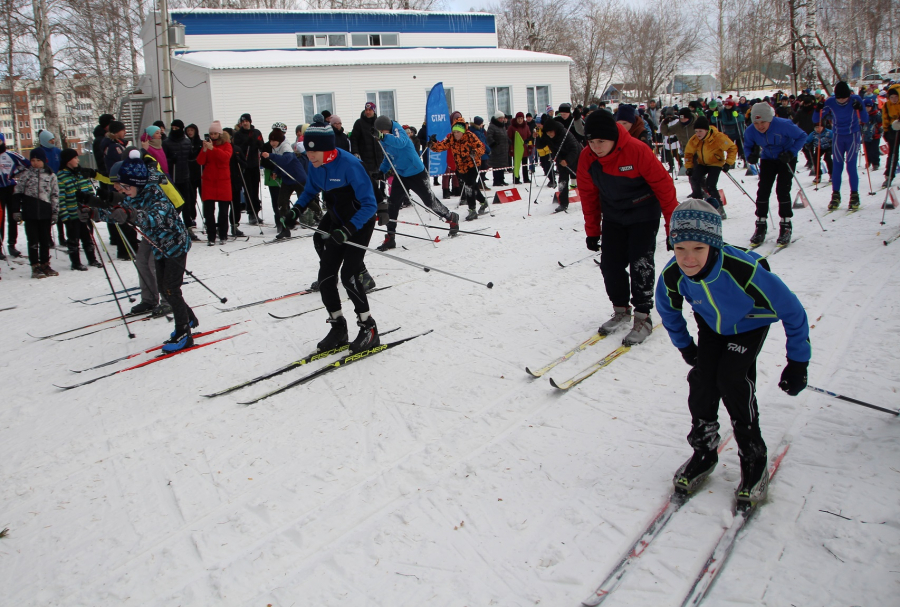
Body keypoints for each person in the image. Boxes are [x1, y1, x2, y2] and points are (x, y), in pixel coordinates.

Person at [656, 198, 810, 506]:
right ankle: (704, 449)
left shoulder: (743, 269)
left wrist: (797, 362)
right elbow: (668, 310)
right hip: (713, 325)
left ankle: (753, 456)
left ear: (713, 245)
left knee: (732, 380)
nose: (688, 258)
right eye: (680, 248)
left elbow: (793, 311)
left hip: (751, 322)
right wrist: (686, 346)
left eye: (698, 249)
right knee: (702, 380)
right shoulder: (673, 274)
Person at [79, 150, 198, 352]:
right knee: (163, 287)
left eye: (126, 186)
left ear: (137, 182)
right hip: (159, 246)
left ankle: (184, 332)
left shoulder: (156, 197)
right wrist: (95, 212)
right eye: (121, 187)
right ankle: (189, 318)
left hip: (175, 245)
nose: (123, 190)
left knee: (170, 289)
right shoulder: (135, 194)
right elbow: (118, 213)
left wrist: (130, 214)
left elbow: (150, 218)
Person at [577, 109, 677, 345]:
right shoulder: (587, 158)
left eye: (601, 141)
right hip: (613, 215)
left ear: (613, 137)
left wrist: (673, 229)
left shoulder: (637, 150)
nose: (596, 147)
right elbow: (588, 196)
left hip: (643, 212)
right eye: (591, 141)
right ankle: (621, 309)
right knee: (610, 265)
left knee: (640, 262)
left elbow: (665, 188)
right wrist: (592, 231)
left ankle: (643, 316)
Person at [281, 120, 380, 354]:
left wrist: (348, 229)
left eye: (314, 150)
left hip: (360, 223)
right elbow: (310, 191)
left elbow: (370, 204)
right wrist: (296, 210)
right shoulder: (315, 165)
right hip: (337, 223)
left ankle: (369, 328)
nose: (310, 155)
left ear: (328, 148)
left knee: (349, 275)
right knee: (326, 276)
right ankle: (338, 327)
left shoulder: (350, 165)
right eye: (308, 149)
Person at [372, 114, 459, 250]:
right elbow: (388, 156)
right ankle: (390, 237)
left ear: (386, 128)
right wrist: (382, 170)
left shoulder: (398, 132)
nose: (381, 134)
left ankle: (451, 217)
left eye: (382, 132)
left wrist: (384, 137)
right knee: (392, 205)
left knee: (429, 201)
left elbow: (400, 143)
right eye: (380, 133)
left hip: (416, 172)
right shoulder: (384, 138)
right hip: (401, 175)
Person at [743, 101, 807, 246]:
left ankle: (785, 225)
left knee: (782, 190)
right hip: (768, 159)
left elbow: (802, 136)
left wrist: (791, 152)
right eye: (756, 122)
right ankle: (760, 225)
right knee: (763, 190)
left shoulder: (784, 125)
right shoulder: (751, 130)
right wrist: (750, 155)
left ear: (770, 119)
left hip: (785, 158)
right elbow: (748, 145)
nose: (760, 126)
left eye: (763, 122)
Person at [428, 116, 487, 221]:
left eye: (458, 132)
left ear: (463, 131)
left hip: (472, 164)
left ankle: (472, 210)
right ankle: (483, 201)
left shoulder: (470, 136)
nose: (456, 134)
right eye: (454, 132)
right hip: (460, 166)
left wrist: (474, 152)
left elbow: (481, 148)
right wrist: (432, 144)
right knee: (471, 185)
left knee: (469, 186)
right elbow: (441, 146)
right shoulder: (450, 138)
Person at [12, 148, 58, 278]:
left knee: (45, 240)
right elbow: (17, 193)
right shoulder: (26, 175)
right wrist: (16, 210)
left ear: (44, 161)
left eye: (38, 160)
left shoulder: (51, 176)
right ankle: (35, 266)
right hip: (30, 212)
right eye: (33, 160)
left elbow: (55, 195)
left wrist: (55, 212)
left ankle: (45, 263)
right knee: (33, 240)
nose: (35, 163)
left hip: (45, 212)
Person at [823, 81, 868, 210]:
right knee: (837, 165)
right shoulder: (831, 101)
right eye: (839, 98)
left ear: (849, 95)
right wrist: (818, 108)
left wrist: (860, 108)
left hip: (852, 135)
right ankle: (835, 195)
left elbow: (864, 119)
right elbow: (816, 118)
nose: (842, 101)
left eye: (845, 98)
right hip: (837, 136)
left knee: (851, 165)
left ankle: (854, 195)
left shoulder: (855, 99)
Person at [57, 149, 101, 270]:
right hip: (72, 215)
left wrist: (93, 208)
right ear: (68, 160)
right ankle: (75, 262)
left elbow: (90, 191)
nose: (78, 160)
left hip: (86, 213)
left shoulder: (82, 174)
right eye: (75, 158)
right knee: (73, 239)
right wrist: (65, 217)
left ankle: (92, 259)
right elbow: (60, 199)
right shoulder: (61, 177)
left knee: (88, 237)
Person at [261, 127, 309, 240]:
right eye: (270, 141)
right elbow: (279, 164)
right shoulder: (275, 148)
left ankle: (319, 216)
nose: (272, 143)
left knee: (306, 200)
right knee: (281, 203)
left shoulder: (286, 147)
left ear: (280, 140)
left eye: (274, 141)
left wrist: (270, 156)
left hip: (297, 177)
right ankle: (285, 229)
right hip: (287, 180)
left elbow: (286, 160)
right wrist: (275, 172)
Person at [683, 116, 736, 217]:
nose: (698, 134)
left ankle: (719, 208)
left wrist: (728, 163)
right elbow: (688, 153)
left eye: (700, 131)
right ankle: (698, 204)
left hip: (715, 163)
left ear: (707, 130)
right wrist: (689, 167)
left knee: (710, 185)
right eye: (696, 131)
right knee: (694, 179)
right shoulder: (694, 139)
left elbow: (732, 148)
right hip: (702, 163)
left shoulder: (718, 137)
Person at [196, 121, 233, 245]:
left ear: (220, 133)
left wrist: (214, 149)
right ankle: (211, 236)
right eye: (211, 133)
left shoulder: (227, 145)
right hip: (209, 181)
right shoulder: (208, 145)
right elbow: (200, 161)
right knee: (208, 212)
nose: (212, 135)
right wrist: (205, 150)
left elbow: (225, 157)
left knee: (223, 211)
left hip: (223, 181)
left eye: (215, 133)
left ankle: (223, 235)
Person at [536, 118, 582, 213]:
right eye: (547, 133)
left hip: (575, 158)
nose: (550, 135)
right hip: (560, 159)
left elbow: (574, 149)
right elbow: (540, 146)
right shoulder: (547, 135)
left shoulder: (565, 134)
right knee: (562, 181)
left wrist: (567, 161)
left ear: (555, 130)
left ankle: (591, 199)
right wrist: (537, 137)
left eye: (551, 132)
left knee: (582, 179)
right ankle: (563, 203)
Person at [163, 119, 199, 241]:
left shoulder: (186, 142)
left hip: (185, 176)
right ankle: (172, 227)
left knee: (187, 203)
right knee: (174, 204)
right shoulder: (167, 142)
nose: (174, 130)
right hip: (173, 178)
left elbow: (191, 156)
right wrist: (170, 160)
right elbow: (163, 160)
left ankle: (188, 226)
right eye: (172, 128)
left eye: (177, 128)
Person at [350, 102, 385, 207]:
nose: (368, 112)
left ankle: (376, 201)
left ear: (374, 111)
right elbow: (354, 139)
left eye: (370, 110)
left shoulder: (378, 123)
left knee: (377, 180)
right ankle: (366, 201)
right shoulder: (359, 123)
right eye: (366, 110)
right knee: (367, 181)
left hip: (378, 157)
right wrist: (355, 152)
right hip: (365, 157)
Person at [0, 132, 29, 259]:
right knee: (0, 219)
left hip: (11, 189)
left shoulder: (11, 155)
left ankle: (12, 244)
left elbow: (27, 164)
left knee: (13, 216)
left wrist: (15, 174)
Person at [231, 113, 264, 224]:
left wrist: (259, 144)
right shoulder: (238, 135)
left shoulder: (256, 132)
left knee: (255, 189)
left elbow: (261, 145)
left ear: (250, 121)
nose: (245, 123)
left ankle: (256, 211)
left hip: (255, 164)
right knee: (248, 190)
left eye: (246, 121)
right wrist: (246, 144)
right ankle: (251, 213)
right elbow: (237, 148)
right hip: (245, 165)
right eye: (243, 121)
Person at [881, 84, 900, 189]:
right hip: (893, 130)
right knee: (893, 154)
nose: (894, 99)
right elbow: (885, 118)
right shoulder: (887, 105)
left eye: (896, 97)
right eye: (891, 97)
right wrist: (886, 130)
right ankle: (889, 175)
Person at [507, 112, 533, 184]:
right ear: (516, 119)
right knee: (516, 165)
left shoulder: (526, 126)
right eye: (518, 118)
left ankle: (526, 178)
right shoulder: (512, 127)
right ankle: (516, 179)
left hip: (524, 148)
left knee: (525, 165)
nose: (520, 120)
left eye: (521, 118)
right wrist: (511, 148)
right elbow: (509, 139)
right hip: (516, 149)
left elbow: (529, 137)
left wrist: (530, 147)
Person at [486, 111, 509, 186]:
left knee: (502, 165)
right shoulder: (492, 126)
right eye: (500, 118)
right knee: (496, 166)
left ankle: (501, 179)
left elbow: (504, 135)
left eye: (503, 118)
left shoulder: (502, 126)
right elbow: (489, 137)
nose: (502, 119)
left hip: (503, 149)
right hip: (496, 150)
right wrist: (494, 144)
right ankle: (496, 180)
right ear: (497, 118)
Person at [860, 99, 882, 171]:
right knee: (867, 150)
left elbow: (881, 122)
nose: (867, 108)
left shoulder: (877, 114)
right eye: (866, 107)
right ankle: (868, 161)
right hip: (866, 135)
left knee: (874, 150)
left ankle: (875, 163)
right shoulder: (862, 114)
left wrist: (879, 129)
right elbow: (861, 123)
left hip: (875, 135)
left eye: (869, 107)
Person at [470, 116, 491, 189]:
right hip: (481, 153)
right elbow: (482, 143)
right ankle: (479, 183)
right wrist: (488, 150)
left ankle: (480, 182)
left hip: (483, 153)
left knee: (483, 168)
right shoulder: (477, 132)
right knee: (483, 168)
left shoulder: (480, 131)